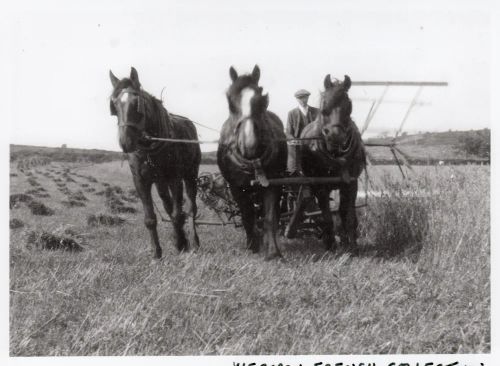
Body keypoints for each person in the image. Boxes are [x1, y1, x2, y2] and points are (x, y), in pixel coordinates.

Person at [286, 89, 319, 175]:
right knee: (294, 166)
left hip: (313, 144)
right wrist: (293, 139)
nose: (302, 100)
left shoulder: (316, 112)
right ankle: (294, 172)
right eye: (300, 98)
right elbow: (288, 132)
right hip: (298, 146)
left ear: (308, 98)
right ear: (297, 99)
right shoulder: (291, 113)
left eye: (304, 98)